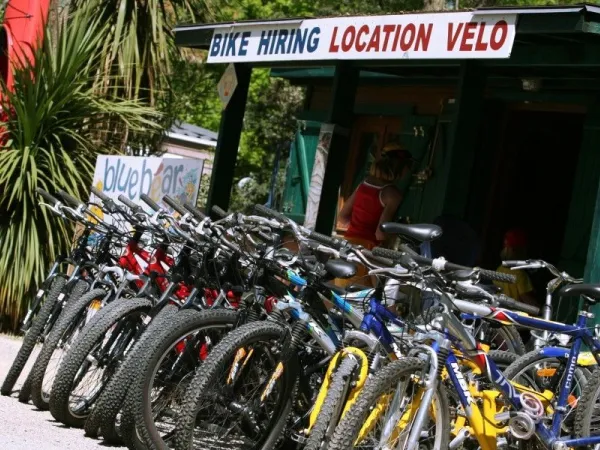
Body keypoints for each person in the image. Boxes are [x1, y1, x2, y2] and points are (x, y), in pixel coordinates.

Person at [336, 142, 412, 287]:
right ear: (400, 169)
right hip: (369, 251)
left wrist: (359, 225)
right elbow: (380, 233)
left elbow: (342, 217)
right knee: (365, 298)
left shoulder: (364, 184)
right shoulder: (392, 194)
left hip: (348, 245)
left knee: (342, 294)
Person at [494, 228, 538, 307]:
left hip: (499, 308)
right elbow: (526, 298)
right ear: (521, 250)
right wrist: (540, 310)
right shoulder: (520, 274)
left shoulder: (499, 268)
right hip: (514, 314)